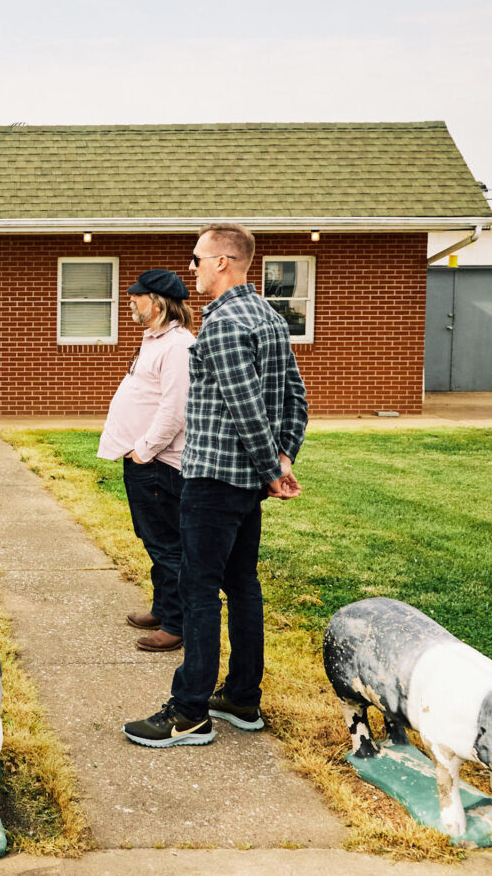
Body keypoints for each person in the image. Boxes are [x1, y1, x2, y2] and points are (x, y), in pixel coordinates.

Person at [123, 223, 307, 748]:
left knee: (199, 593)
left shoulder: (224, 323)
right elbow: (297, 397)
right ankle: (242, 698)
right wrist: (282, 456)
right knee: (242, 586)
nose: (193, 268)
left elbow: (246, 406)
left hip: (210, 480)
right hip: (245, 483)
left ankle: (189, 712)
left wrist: (275, 470)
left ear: (224, 261)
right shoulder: (270, 318)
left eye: (198, 258)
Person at [97, 269, 195, 654]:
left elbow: (176, 409)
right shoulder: (154, 340)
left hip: (158, 463)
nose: (131, 301)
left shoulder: (178, 347)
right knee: (153, 540)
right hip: (143, 459)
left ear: (157, 302)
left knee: (167, 544)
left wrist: (144, 450)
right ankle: (162, 607)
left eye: (137, 296)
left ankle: (175, 624)